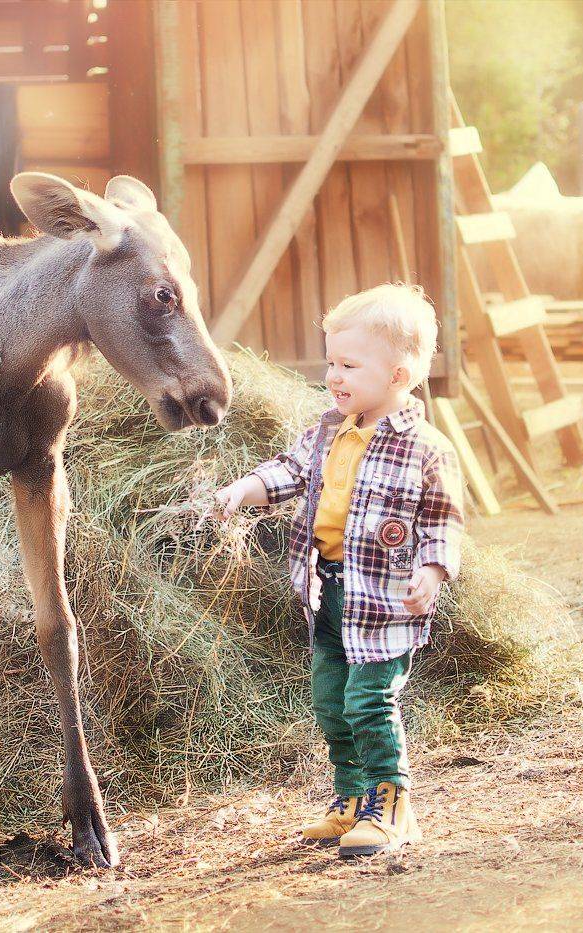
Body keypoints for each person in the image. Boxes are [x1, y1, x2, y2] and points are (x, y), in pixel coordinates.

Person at [214, 283, 464, 858]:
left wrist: (433, 570)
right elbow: (288, 471)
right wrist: (242, 490)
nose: (334, 376)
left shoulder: (426, 448)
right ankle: (351, 798)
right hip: (327, 592)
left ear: (399, 376)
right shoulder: (329, 429)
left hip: (385, 600)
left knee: (369, 703)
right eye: (332, 362)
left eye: (349, 365)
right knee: (331, 700)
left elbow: (445, 519)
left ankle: (393, 804)